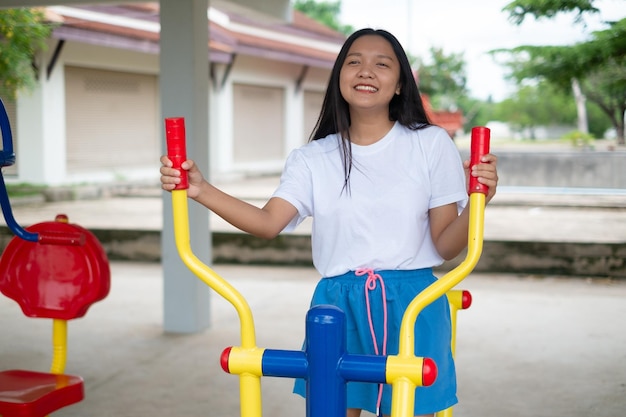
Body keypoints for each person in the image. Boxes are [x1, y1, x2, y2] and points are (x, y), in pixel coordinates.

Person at [160, 28, 498, 417]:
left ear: (401, 83)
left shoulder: (430, 144)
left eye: (381, 64)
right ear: (339, 78)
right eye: (354, 62)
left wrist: (478, 202)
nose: (366, 71)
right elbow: (269, 222)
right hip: (336, 307)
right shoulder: (312, 158)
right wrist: (201, 189)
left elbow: (446, 246)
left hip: (414, 302)